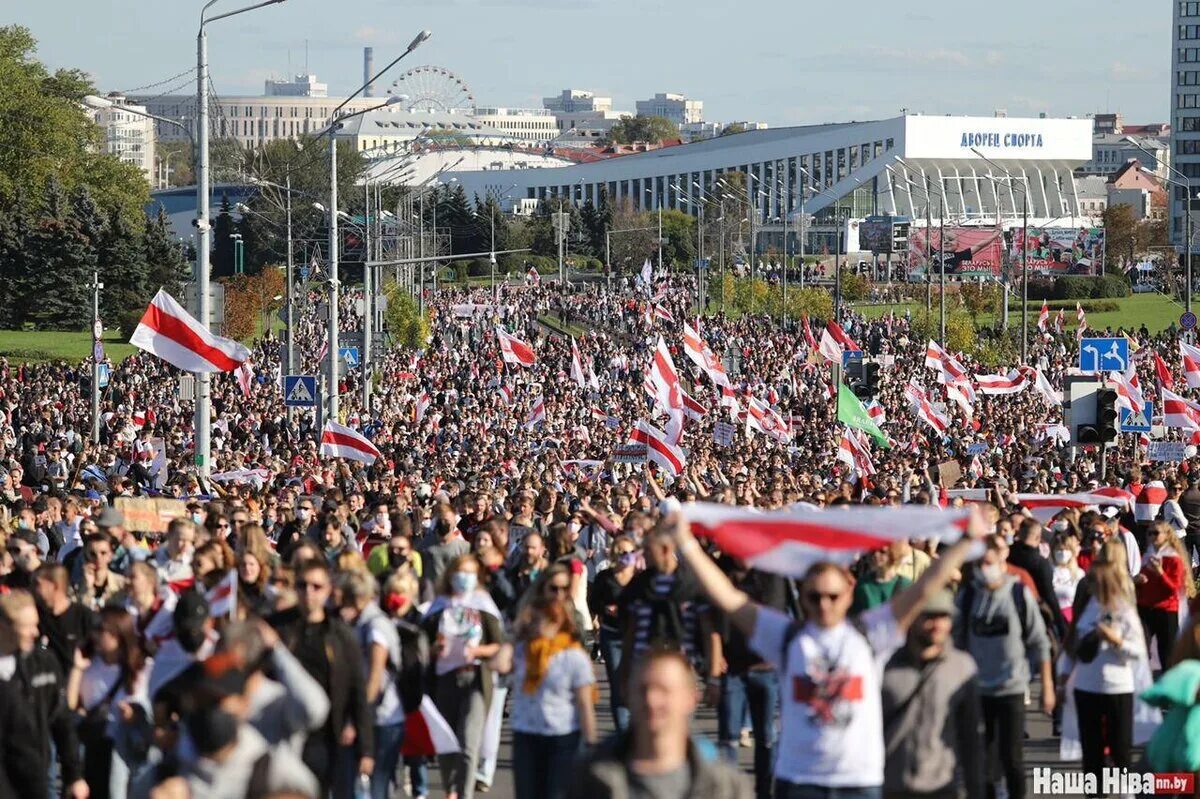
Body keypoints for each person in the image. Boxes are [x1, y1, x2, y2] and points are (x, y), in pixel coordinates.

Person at [669, 510, 983, 799]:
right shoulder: (786, 637)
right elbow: (728, 598)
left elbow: (924, 589)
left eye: (832, 596)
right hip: (799, 780)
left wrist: (967, 540)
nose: (823, 604)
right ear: (802, 596)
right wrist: (686, 543)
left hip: (859, 782)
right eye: (814, 596)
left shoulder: (870, 634)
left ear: (849, 594)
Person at [576, 648, 751, 799]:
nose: (651, 700)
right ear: (627, 695)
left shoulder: (726, 788)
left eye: (664, 690)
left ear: (691, 699)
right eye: (643, 689)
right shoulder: (591, 779)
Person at [955, 535, 1053, 799]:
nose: (985, 568)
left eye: (989, 561)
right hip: (977, 690)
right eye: (980, 563)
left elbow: (1039, 641)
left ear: (1001, 561)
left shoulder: (1018, 593)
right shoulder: (967, 597)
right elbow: (956, 644)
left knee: (1012, 758)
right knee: (982, 761)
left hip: (1011, 687)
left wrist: (1047, 686)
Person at [272, 558, 373, 799]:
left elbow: (357, 690)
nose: (309, 592)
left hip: (326, 737)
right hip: (283, 734)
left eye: (316, 587)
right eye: (302, 585)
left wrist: (366, 749)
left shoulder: (340, 635)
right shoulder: (277, 628)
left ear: (328, 590)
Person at [881, 589, 984, 799]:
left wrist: (976, 790)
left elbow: (971, 737)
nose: (937, 624)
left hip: (942, 787)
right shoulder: (885, 666)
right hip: (892, 787)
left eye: (943, 616)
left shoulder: (962, 667)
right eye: (929, 616)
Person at [423, 554, 504, 799]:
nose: (464, 578)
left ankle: (464, 794)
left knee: (469, 743)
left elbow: (498, 644)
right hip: (445, 679)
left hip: (476, 680)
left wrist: (478, 650)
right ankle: (451, 790)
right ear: (450, 575)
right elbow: (423, 645)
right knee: (447, 742)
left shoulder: (483, 604)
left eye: (470, 573)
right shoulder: (439, 606)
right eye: (460, 573)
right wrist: (435, 649)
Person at [1064, 555, 1147, 789]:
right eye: (1092, 580)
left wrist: (1116, 641)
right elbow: (1071, 648)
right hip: (1086, 688)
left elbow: (1139, 653)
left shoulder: (1125, 611)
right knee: (1092, 753)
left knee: (1120, 750)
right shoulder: (1085, 611)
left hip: (1118, 688)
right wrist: (1061, 682)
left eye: (1099, 579)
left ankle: (1125, 792)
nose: (1094, 584)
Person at [506, 596, 597, 799]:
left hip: (562, 737)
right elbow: (499, 663)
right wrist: (518, 633)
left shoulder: (574, 657)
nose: (544, 623)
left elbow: (585, 705)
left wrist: (591, 747)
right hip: (526, 735)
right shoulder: (523, 651)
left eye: (551, 618)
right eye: (539, 617)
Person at [0, 590, 87, 799]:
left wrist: (74, 775)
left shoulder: (44, 663)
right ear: (3, 628)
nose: (35, 632)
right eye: (26, 627)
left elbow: (61, 721)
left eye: (36, 624)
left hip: (37, 777)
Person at [714, 554, 787, 799]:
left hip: (764, 667)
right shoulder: (722, 571)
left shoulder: (771, 576)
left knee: (766, 737)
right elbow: (713, 617)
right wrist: (714, 659)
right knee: (728, 738)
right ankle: (729, 793)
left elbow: (777, 614)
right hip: (732, 667)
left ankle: (764, 792)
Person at [66, 606, 154, 799]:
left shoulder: (143, 668)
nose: (97, 636)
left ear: (119, 634)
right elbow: (72, 704)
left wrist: (133, 715)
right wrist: (77, 668)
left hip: (126, 750)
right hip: (95, 749)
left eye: (102, 631)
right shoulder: (91, 666)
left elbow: (151, 709)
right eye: (95, 630)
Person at [338, 568, 405, 799]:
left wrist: (357, 720)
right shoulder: (360, 623)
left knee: (376, 788)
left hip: (382, 719)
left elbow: (375, 678)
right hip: (369, 716)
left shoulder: (375, 626)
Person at [588, 535, 639, 731]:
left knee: (635, 681)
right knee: (617, 683)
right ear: (616, 554)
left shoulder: (639, 578)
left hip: (635, 636)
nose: (628, 556)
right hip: (612, 634)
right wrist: (605, 609)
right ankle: (622, 731)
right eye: (624, 553)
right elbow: (593, 602)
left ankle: (637, 726)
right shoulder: (605, 577)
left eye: (632, 552)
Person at [1134, 521, 1190, 671]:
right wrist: (1137, 581)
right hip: (1145, 608)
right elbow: (1143, 584)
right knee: (1141, 649)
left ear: (1166, 535)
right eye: (1149, 533)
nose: (1152, 536)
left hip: (1166, 610)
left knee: (1166, 652)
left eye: (1156, 533)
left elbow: (1174, 589)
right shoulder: (1147, 556)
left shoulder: (1174, 559)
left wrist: (1160, 573)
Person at [850, 547, 912, 614]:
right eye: (874, 551)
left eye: (882, 552)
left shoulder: (905, 585)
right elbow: (854, 616)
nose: (876, 554)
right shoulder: (863, 583)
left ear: (894, 556)